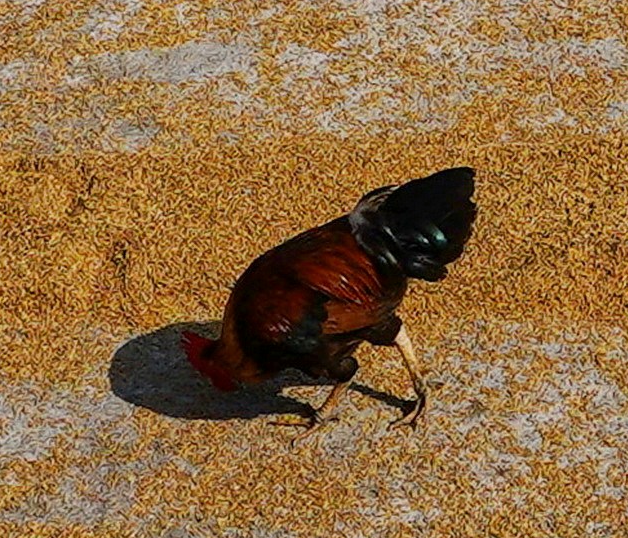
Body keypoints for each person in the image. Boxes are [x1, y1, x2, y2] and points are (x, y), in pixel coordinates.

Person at [183, 164, 480, 420]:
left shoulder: (269, 333)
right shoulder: (243, 308)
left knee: (333, 359)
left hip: (350, 288)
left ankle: (334, 411)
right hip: (333, 255)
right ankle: (419, 383)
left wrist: (322, 412)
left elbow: (347, 358)